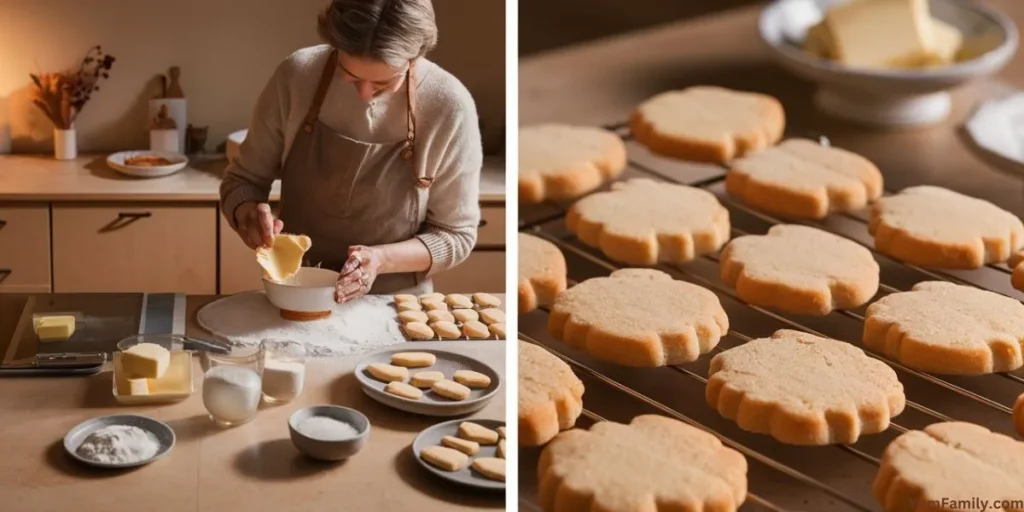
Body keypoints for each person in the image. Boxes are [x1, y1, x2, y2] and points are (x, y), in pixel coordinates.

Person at [221, 0, 482, 303]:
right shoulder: (297, 76)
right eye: (350, 76)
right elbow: (241, 182)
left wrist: (380, 260)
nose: (364, 94)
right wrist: (248, 215)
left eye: (384, 83)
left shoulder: (448, 105)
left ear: (415, 56)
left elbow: (455, 235)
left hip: (397, 306)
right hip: (296, 295)